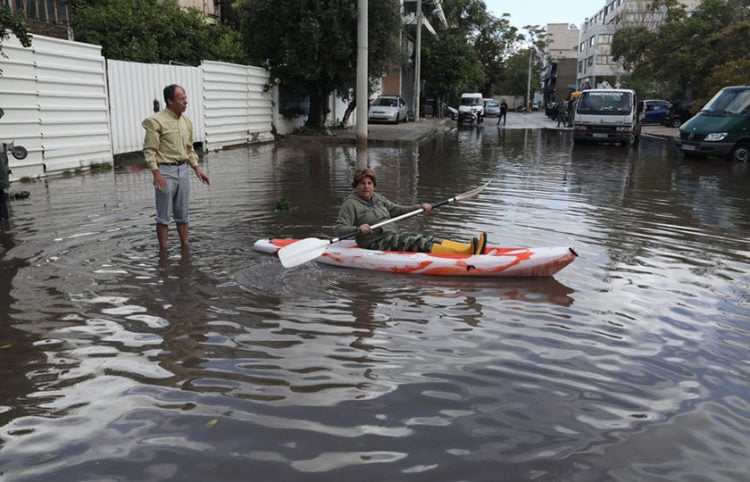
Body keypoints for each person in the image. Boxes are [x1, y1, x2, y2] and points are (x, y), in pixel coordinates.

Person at [334, 168, 486, 255]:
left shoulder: (378, 198)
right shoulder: (350, 204)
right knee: (417, 242)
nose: (366, 187)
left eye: (369, 183)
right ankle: (463, 254)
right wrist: (358, 229)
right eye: (362, 184)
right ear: (356, 186)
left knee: (427, 238)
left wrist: (419, 208)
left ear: (373, 185)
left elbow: (396, 210)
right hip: (373, 243)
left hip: (391, 235)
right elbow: (339, 229)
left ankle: (466, 248)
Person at [142, 84, 210, 250]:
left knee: (183, 214)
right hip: (165, 172)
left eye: (185, 98)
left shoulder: (186, 121)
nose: (185, 102)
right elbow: (149, 150)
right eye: (181, 99)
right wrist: (156, 172)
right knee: (163, 216)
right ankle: (163, 253)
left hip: (183, 170)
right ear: (170, 101)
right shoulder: (156, 121)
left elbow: (189, 149)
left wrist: (197, 169)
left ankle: (186, 248)